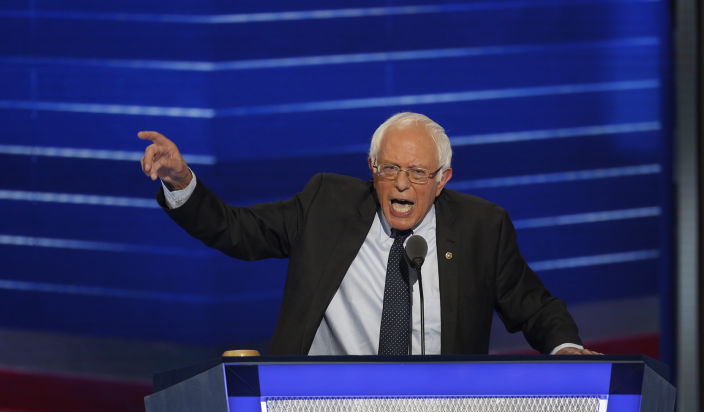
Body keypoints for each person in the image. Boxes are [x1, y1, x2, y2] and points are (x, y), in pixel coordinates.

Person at [138, 112, 598, 356]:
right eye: (390, 169)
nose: (401, 184)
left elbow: (536, 307)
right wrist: (182, 183)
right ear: (372, 169)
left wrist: (566, 348)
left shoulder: (482, 228)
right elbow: (236, 231)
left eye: (418, 172)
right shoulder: (326, 205)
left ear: (444, 179)